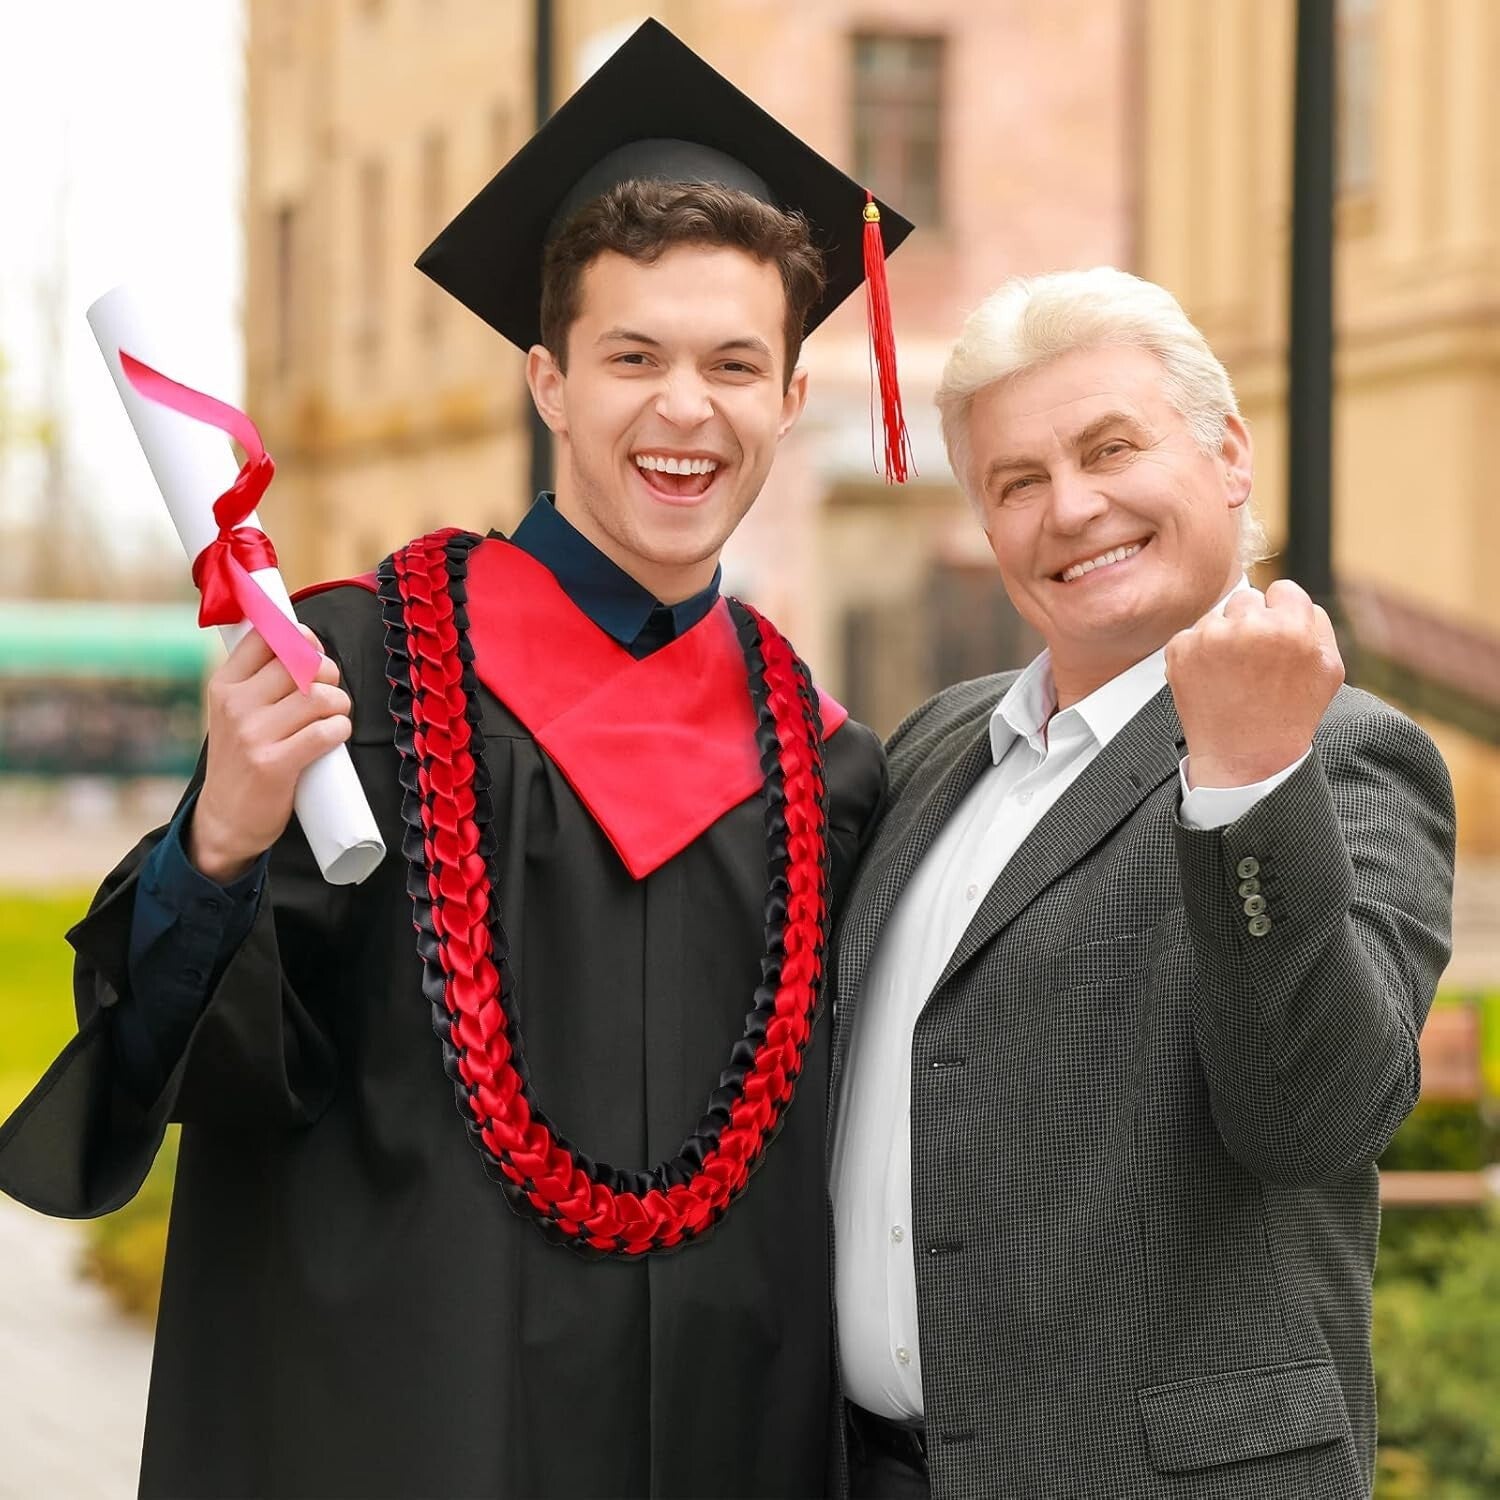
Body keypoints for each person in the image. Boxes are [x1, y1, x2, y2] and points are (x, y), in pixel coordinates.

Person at [0, 21, 911, 1499]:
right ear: (548, 383)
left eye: (735, 364)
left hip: (722, 1446)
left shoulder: (826, 767)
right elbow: (189, 1066)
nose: (687, 409)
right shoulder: (356, 680)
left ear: (792, 402)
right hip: (403, 1426)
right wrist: (218, 843)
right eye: (634, 357)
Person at [828, 267, 1455, 1500]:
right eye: (1016, 481)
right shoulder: (936, 750)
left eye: (1111, 448)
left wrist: (1245, 780)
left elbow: (1312, 1120)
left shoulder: (1341, 753)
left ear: (1227, 454)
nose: (1071, 508)